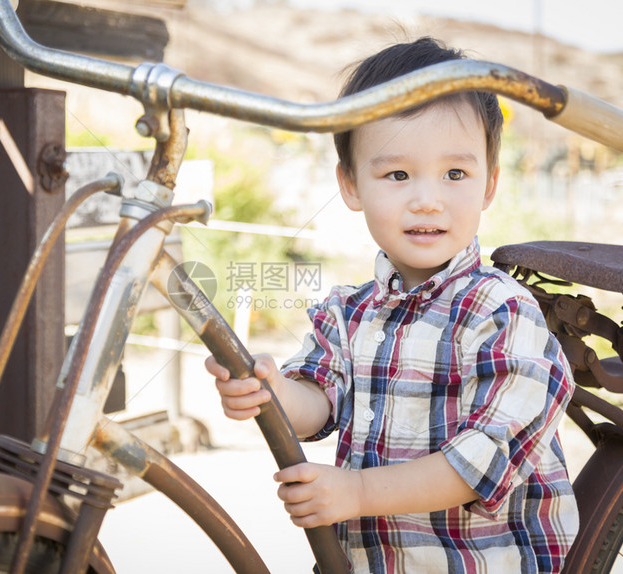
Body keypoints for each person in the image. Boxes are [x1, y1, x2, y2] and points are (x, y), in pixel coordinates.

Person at [205, 37, 579, 573]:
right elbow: (318, 402)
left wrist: (357, 493)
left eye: (455, 174)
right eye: (398, 174)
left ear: (489, 183)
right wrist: (271, 391)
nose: (427, 199)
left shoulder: (502, 312)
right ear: (351, 184)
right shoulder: (347, 311)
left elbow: (482, 463)